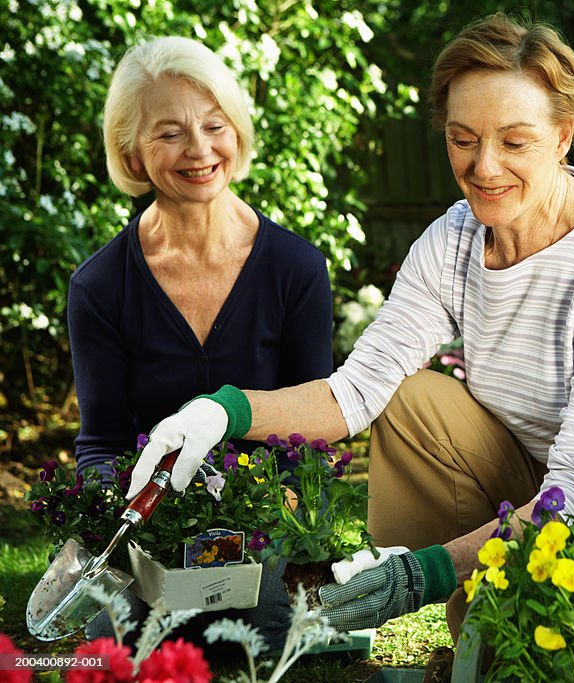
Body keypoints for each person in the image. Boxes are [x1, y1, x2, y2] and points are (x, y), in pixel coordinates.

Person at [126, 13, 574, 639]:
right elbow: (356, 393)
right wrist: (223, 412)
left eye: (515, 142)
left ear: (563, 136)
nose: (485, 166)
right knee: (412, 401)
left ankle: (473, 605)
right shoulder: (452, 242)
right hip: (560, 469)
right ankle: (475, 620)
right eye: (463, 138)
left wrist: (424, 572)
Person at [70, 36, 334, 654]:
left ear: (237, 132)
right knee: (113, 643)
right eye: (169, 134)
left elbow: (316, 426)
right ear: (130, 152)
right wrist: (136, 528)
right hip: (151, 534)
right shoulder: (100, 285)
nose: (199, 150)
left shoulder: (296, 268)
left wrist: (273, 521)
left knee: (254, 640)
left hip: (265, 529)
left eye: (215, 126)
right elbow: (103, 444)